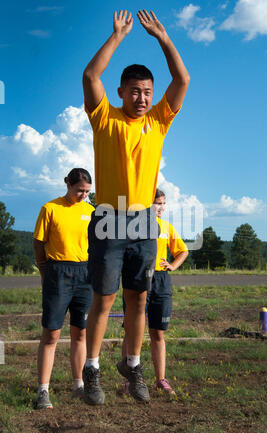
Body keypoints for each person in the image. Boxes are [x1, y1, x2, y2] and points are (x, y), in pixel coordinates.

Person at [82, 9, 190, 405]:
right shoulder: (104, 118)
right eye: (134, 91)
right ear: (122, 92)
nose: (142, 98)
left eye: (147, 91)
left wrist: (164, 38)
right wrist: (117, 37)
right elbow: (91, 77)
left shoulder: (159, 121)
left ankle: (132, 363)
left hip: (145, 221)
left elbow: (182, 80)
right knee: (104, 299)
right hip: (110, 219)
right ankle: (91, 369)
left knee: (138, 298)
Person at [33, 168, 94, 409]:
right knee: (52, 334)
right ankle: (43, 391)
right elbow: (39, 243)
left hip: (85, 274)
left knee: (80, 333)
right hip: (57, 272)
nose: (83, 195)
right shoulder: (50, 208)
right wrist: (44, 270)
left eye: (87, 191)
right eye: (79, 190)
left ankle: (78, 385)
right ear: (67, 184)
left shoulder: (91, 211)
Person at [122, 189, 188, 396]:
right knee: (132, 332)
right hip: (138, 279)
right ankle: (129, 380)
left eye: (163, 203)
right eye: (157, 203)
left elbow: (182, 250)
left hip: (161, 280)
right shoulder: (134, 226)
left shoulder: (167, 227)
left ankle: (161, 379)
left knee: (158, 332)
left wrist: (173, 265)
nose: (161, 207)